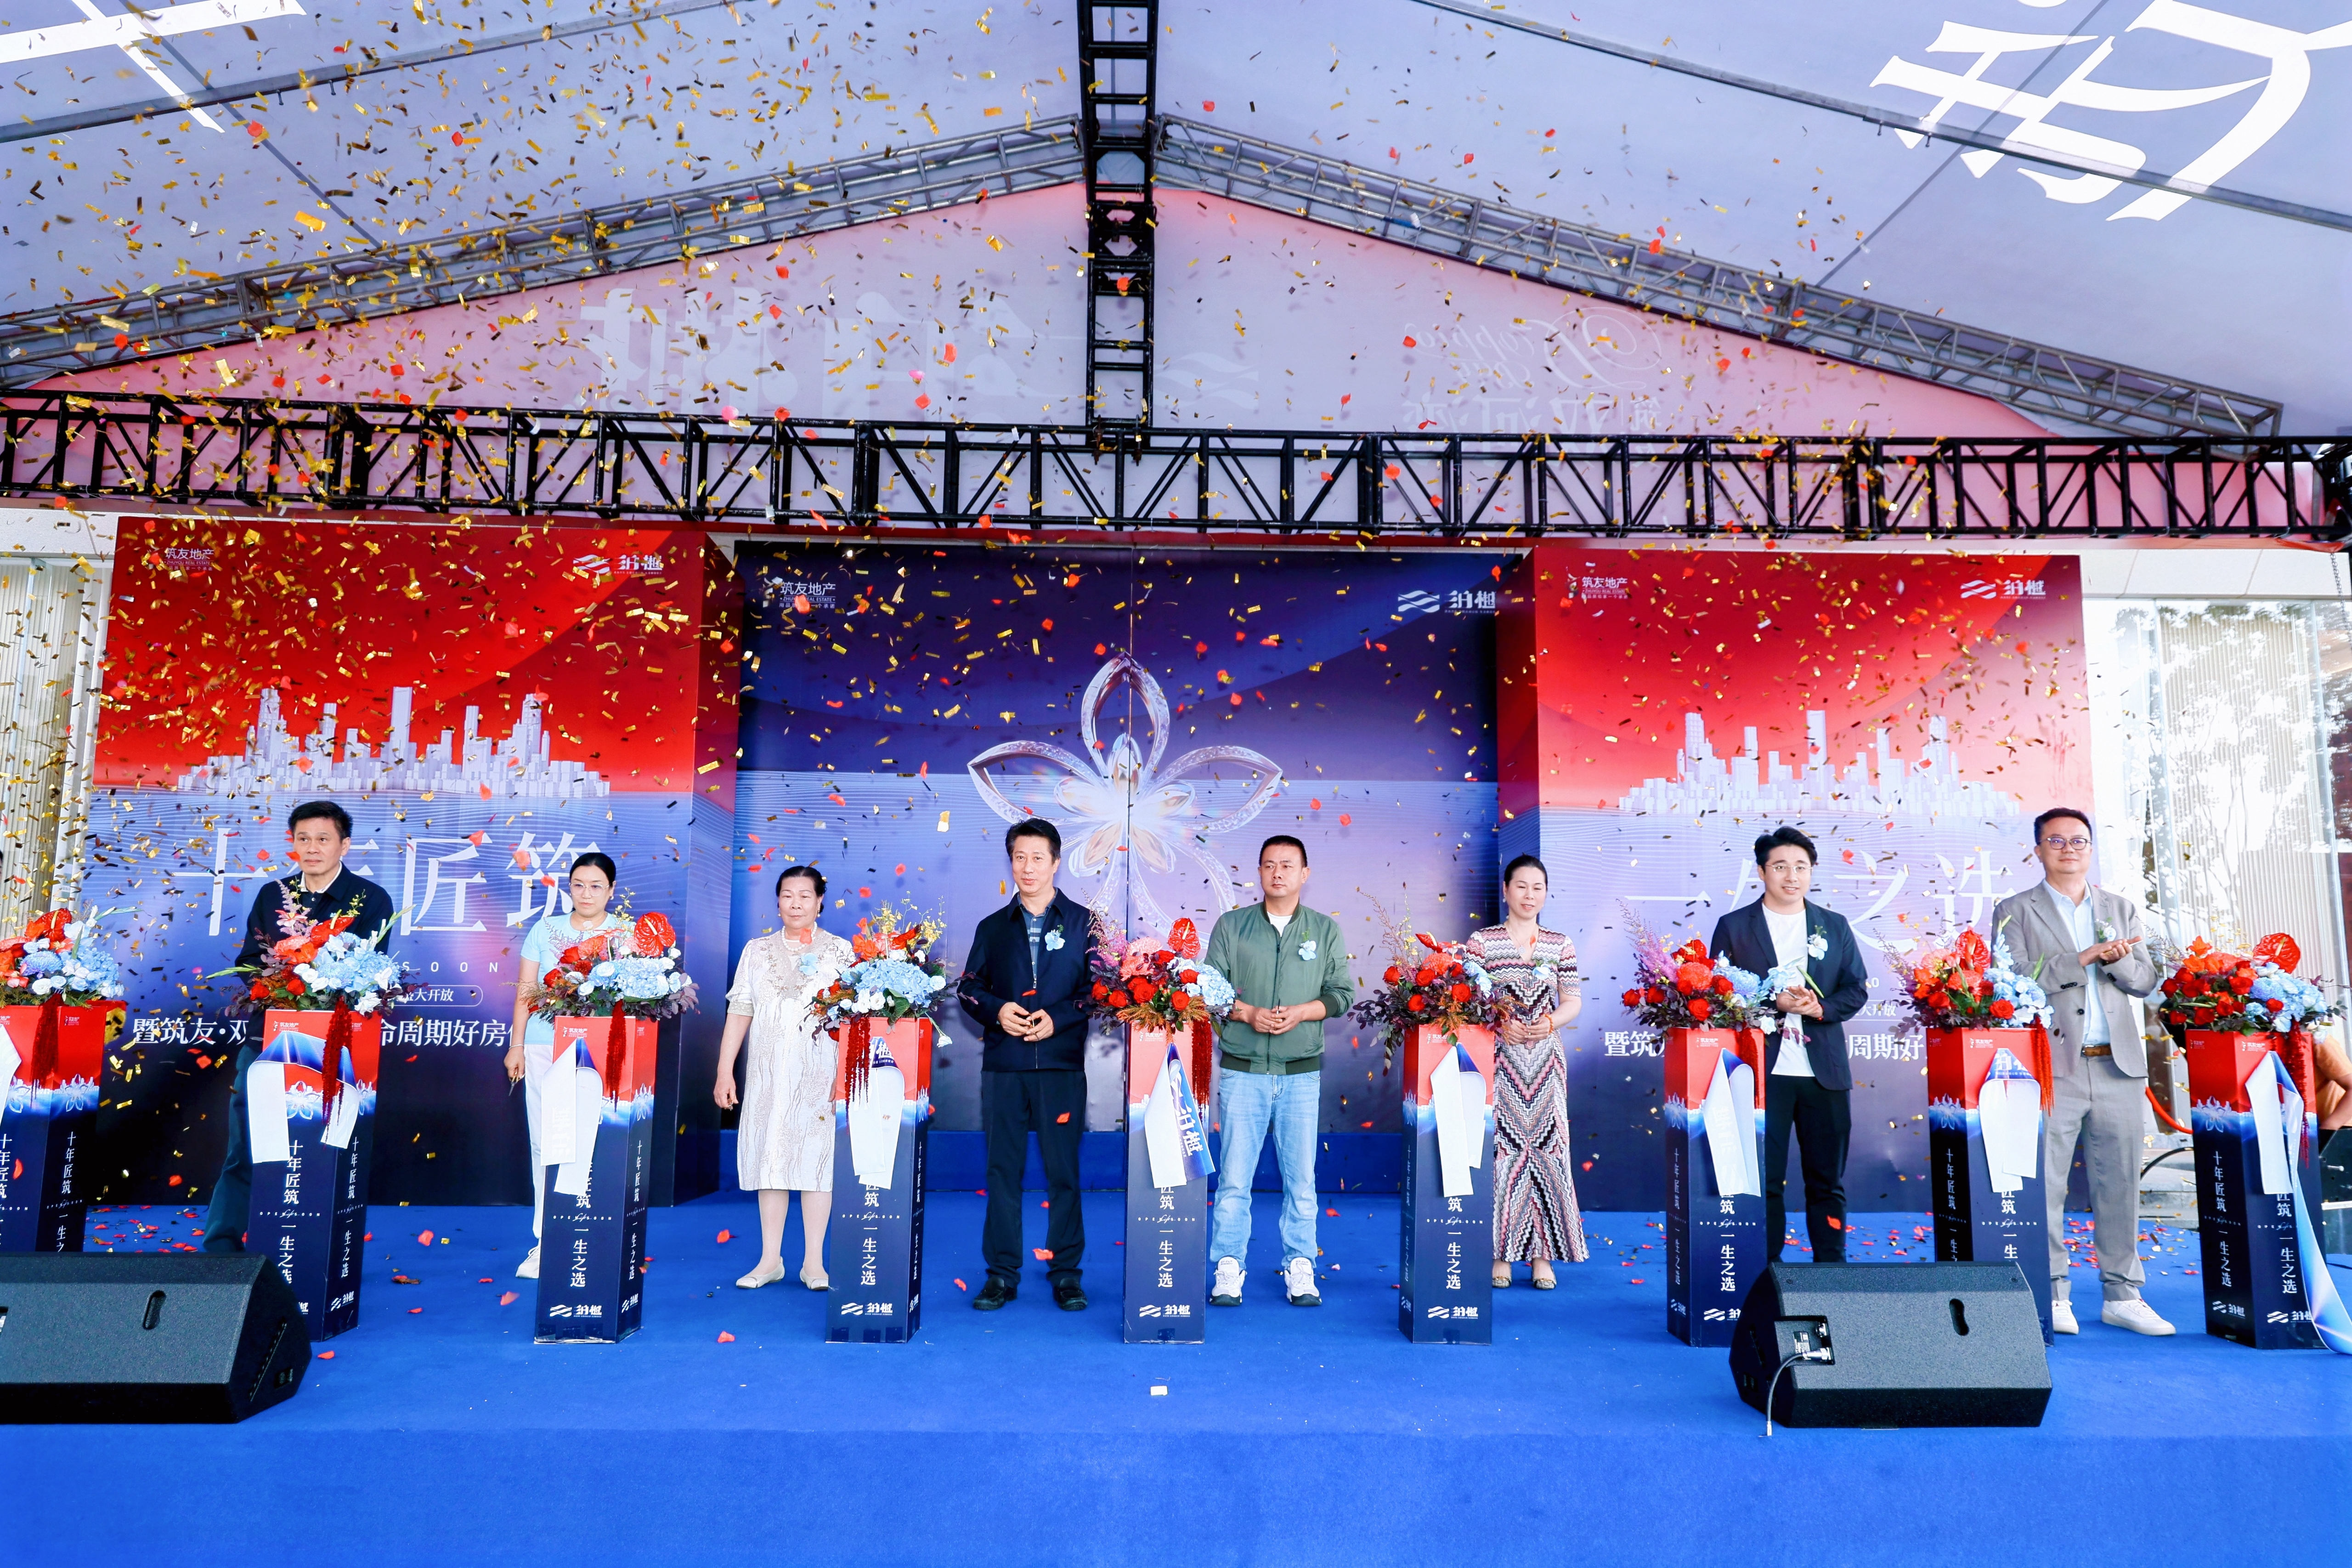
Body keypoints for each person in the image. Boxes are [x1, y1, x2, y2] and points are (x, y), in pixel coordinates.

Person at [1990, 808, 2171, 1337]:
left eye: (2078, 840)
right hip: (2051, 1066)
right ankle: (2053, 1291)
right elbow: (2010, 977)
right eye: (2056, 840)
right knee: (2045, 1184)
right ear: (2037, 850)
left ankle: (2122, 1294)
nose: (2068, 848)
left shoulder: (2119, 907)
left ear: (2090, 848)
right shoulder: (2013, 909)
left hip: (2117, 1065)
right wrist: (2082, 957)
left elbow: (2144, 981)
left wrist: (2113, 960)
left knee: (2119, 1183)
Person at [202, 800, 396, 1254]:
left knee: (326, 1148)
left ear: (344, 845)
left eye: (323, 839)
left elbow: (370, 971)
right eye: (303, 839)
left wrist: (318, 989)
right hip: (269, 1038)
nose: (312, 848)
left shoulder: (370, 899)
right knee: (247, 1143)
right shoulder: (274, 895)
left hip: (336, 1047)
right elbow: (250, 962)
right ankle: (221, 1248)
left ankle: (313, 1249)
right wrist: (283, 989)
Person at [1204, 835, 1357, 1308]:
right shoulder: (1232, 926)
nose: (1277, 872)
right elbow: (1207, 988)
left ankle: (1300, 1266)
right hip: (1243, 1071)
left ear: (1304, 873)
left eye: (1287, 865)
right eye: (1269, 864)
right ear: (1259, 872)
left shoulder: (1324, 930)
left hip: (1300, 1074)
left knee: (1301, 1181)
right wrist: (1247, 1013)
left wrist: (1304, 1011)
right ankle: (1228, 1266)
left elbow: (1341, 994)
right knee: (1234, 1179)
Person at [955, 819, 1098, 1312]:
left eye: (1038, 857)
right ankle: (1001, 1273)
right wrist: (997, 1010)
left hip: (1060, 1065)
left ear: (1056, 862)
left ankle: (1066, 1274)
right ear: (1010, 862)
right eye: (1019, 857)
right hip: (1005, 1066)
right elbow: (968, 988)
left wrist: (1057, 1018)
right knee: (1002, 1171)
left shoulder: (1084, 923)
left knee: (1064, 1172)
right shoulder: (993, 927)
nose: (1028, 867)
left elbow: (1098, 990)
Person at [1708, 826, 1869, 1264]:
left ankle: (1832, 1270)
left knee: (1827, 1181)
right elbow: (1718, 994)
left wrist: (1820, 1007)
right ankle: (1768, 1272)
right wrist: (1771, 1002)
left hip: (1824, 1073)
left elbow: (1856, 989)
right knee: (1766, 1180)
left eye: (1801, 866)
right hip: (1763, 1073)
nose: (1792, 876)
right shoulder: (1735, 927)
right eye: (1780, 866)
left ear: (1811, 872)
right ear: (1762, 872)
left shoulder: (1833, 924)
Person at [713, 866, 855, 1290]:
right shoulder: (756, 951)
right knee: (770, 1160)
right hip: (767, 1075)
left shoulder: (841, 951)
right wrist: (724, 1070)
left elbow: (854, 1020)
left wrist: (845, 1077)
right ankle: (770, 1259)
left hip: (820, 1075)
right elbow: (740, 1010)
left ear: (820, 902)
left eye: (805, 896)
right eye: (788, 895)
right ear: (777, 901)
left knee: (817, 1164)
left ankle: (814, 1263)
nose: (796, 904)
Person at [504, 853, 633, 1281]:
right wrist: (517, 1045)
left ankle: (596, 1237)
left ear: (611, 890)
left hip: (603, 1053)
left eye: (596, 886)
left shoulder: (626, 934)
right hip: (545, 1047)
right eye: (578, 884)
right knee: (546, 1143)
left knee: (600, 1142)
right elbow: (526, 991)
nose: (586, 893)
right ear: (569, 888)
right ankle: (547, 1242)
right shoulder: (545, 929)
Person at [1467, 855, 1589, 1288]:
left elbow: (1572, 1000)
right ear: (1506, 890)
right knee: (1502, 1153)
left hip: (1547, 1063)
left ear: (1546, 893)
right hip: (1500, 1061)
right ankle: (1501, 1253)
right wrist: (1499, 1022)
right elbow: (1468, 1002)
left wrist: (1551, 1021)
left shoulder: (1560, 944)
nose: (1529, 895)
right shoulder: (1482, 942)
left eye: (1538, 887)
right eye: (1521, 886)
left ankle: (1543, 1257)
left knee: (1549, 1152)